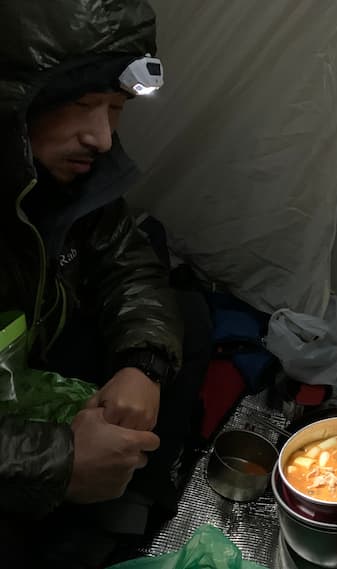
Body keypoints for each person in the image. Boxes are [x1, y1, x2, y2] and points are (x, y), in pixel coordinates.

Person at [0, 1, 211, 566]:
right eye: (81, 104)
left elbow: (127, 262)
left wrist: (142, 365)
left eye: (115, 109)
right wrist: (59, 460)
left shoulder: (69, 177)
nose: (102, 137)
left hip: (30, 366)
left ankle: (121, 510)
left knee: (185, 318)